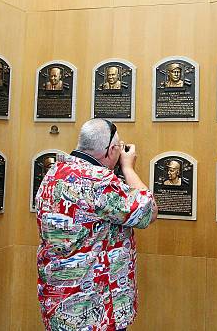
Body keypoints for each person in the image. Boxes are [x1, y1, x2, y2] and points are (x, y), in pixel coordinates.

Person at [36, 118, 158, 331]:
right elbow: (149, 211)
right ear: (111, 150)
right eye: (118, 148)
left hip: (59, 302)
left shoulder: (54, 173)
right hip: (93, 309)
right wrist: (128, 168)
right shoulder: (99, 180)